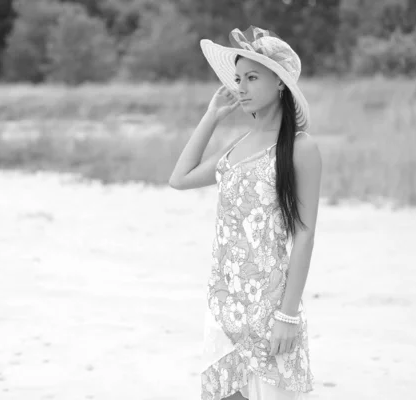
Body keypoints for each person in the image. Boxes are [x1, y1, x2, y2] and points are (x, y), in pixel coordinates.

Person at [168, 26, 322, 400]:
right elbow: (180, 178)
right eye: (239, 79)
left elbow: (304, 234)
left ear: (280, 84)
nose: (242, 87)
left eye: (252, 78)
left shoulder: (300, 149)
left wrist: (288, 316)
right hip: (223, 307)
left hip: (270, 308)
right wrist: (212, 116)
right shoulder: (237, 146)